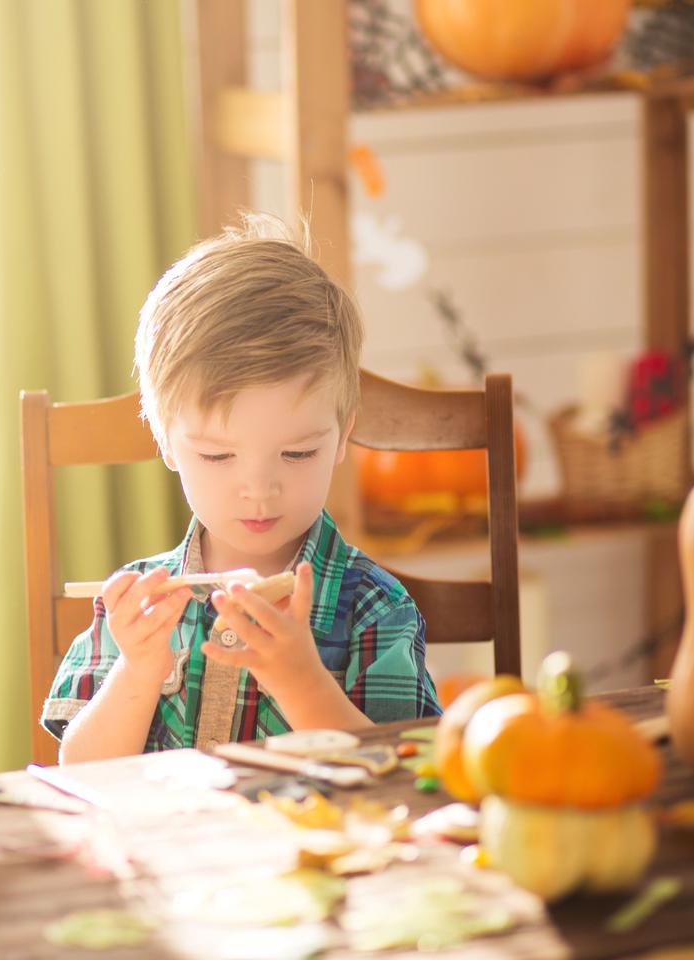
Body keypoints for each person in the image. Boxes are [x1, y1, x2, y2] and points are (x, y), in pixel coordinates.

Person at [42, 216, 440, 764]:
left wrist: (302, 681)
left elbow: (403, 772)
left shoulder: (375, 608)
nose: (258, 489)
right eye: (217, 456)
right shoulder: (139, 606)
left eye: (298, 453)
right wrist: (138, 670)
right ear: (165, 443)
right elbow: (83, 773)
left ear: (343, 435)